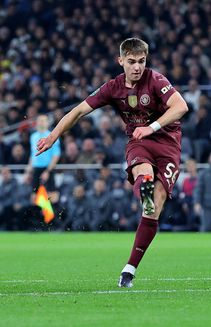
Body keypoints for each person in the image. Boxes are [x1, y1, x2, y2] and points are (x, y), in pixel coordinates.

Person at [35, 38, 189, 287]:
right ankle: (144, 185)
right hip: (139, 143)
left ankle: (130, 267)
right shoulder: (113, 87)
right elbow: (77, 112)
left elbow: (181, 106)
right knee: (144, 171)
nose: (137, 67)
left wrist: (151, 127)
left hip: (168, 144)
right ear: (120, 61)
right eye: (131, 62)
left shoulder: (156, 80)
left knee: (153, 209)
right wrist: (53, 136)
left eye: (141, 61)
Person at [26, 114, 61, 193]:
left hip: (48, 168)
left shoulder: (53, 136)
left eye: (43, 121)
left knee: (52, 195)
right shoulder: (33, 136)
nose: (41, 123)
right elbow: (32, 154)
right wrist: (28, 170)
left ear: (47, 123)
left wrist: (48, 171)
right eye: (39, 120)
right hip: (36, 169)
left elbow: (56, 155)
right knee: (34, 196)